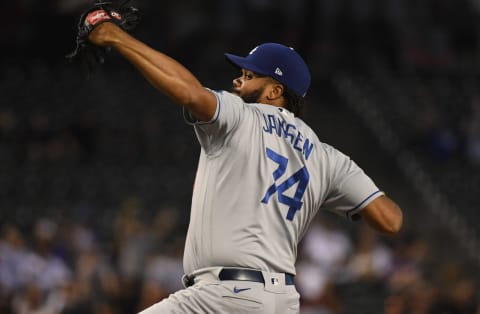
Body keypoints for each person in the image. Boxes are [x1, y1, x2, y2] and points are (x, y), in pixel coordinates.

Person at [84, 11, 403, 314]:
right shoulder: (327, 157)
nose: (239, 82)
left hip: (223, 297)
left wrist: (115, 36)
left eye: (250, 76)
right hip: (282, 301)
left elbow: (190, 93)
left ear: (275, 90)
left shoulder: (242, 116)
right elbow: (390, 219)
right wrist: (331, 195)